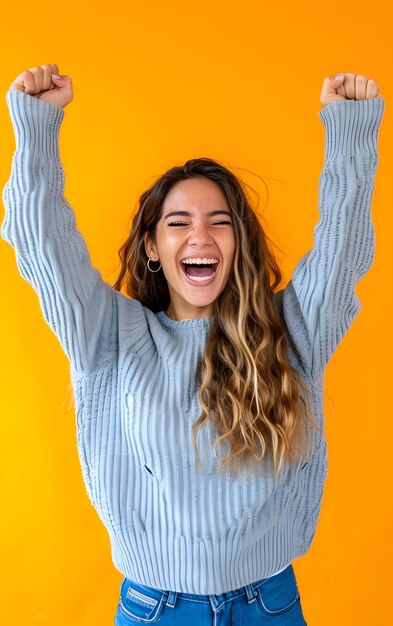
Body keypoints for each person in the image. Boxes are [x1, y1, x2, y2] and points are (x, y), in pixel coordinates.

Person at [1, 64, 384, 626]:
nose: (200, 235)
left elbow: (342, 247)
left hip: (269, 603)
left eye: (219, 222)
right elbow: (42, 246)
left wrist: (349, 128)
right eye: (178, 223)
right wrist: (37, 126)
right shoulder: (108, 333)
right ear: (153, 247)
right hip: (156, 608)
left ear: (238, 242)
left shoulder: (291, 328)